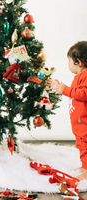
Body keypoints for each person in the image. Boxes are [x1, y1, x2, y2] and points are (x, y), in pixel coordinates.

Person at [47, 41, 87, 180]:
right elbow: (75, 92)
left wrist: (65, 90)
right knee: (82, 146)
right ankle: (85, 165)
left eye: (69, 60)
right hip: (79, 122)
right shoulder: (79, 77)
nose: (68, 63)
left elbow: (83, 93)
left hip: (85, 122)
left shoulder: (86, 76)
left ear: (79, 62)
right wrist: (60, 86)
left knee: (86, 146)